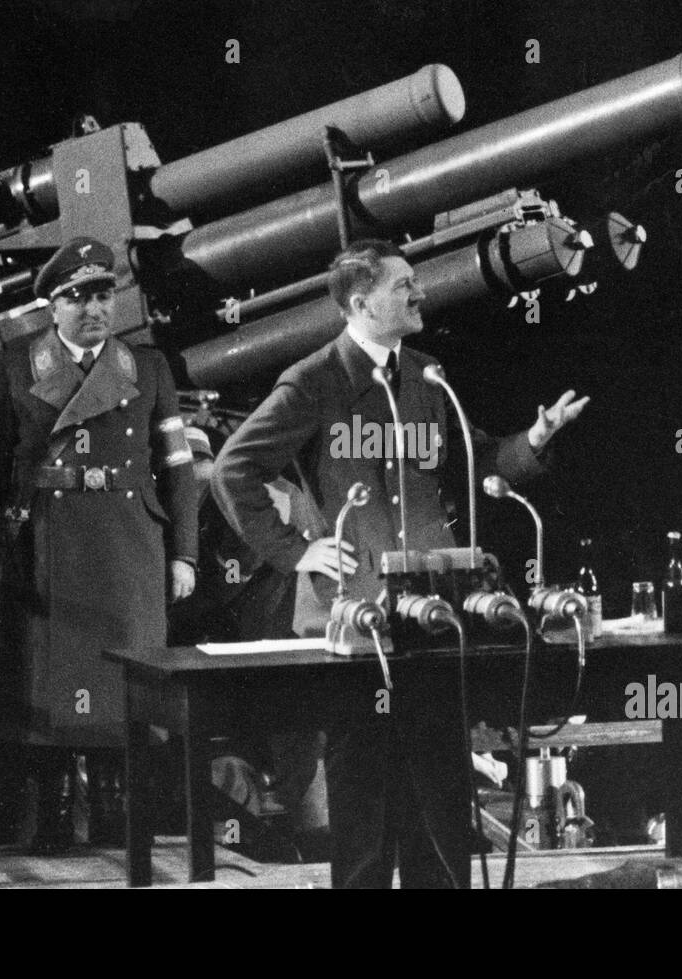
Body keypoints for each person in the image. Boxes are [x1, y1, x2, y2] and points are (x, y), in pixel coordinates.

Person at [211, 238, 588, 888]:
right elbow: (232, 469)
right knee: (361, 800)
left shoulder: (428, 376)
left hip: (436, 618)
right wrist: (297, 550)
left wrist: (535, 439)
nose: (419, 294)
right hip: (357, 622)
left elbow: (479, 463)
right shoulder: (314, 380)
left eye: (416, 283)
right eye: (403, 284)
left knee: (440, 795)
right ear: (361, 301)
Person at [0, 237, 198, 851]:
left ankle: (122, 820)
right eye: (77, 297)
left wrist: (186, 554)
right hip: (45, 541)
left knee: (128, 685)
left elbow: (177, 468)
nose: (93, 309)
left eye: (103, 295)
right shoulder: (12, 366)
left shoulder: (146, 367)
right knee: (49, 686)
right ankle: (53, 819)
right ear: (52, 305)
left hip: (130, 544)